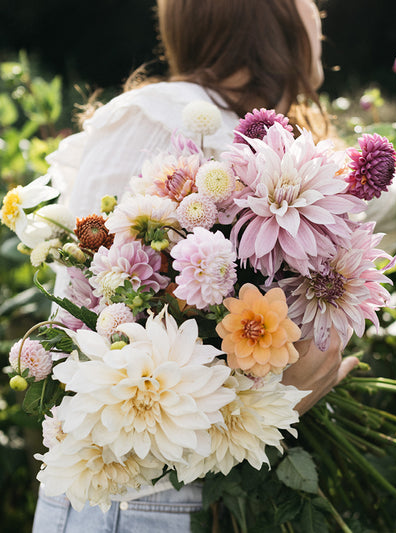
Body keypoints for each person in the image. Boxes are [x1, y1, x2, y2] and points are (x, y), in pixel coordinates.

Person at [32, 1, 358, 531]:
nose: (320, 14)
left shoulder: (273, 150)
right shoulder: (162, 118)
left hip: (199, 497)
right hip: (133, 503)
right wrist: (275, 401)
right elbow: (93, 373)